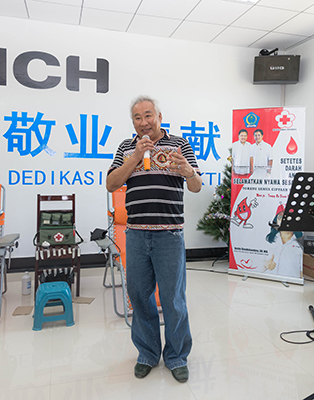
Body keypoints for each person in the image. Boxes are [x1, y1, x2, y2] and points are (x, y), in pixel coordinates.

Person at [106, 95, 202, 383]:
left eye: (148, 115)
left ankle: (177, 356)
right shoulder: (126, 147)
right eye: (137, 118)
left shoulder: (179, 144)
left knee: (173, 299)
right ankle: (147, 353)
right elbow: (111, 183)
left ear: (159, 116)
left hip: (169, 234)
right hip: (136, 234)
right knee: (139, 296)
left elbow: (196, 186)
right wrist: (135, 157)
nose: (143, 122)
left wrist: (188, 171)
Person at [263, 204, 303, 278]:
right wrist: (265, 264)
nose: (285, 221)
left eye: (289, 218)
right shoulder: (269, 241)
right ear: (276, 221)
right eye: (281, 217)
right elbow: (258, 265)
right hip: (269, 281)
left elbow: (303, 272)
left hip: (291, 283)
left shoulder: (301, 244)